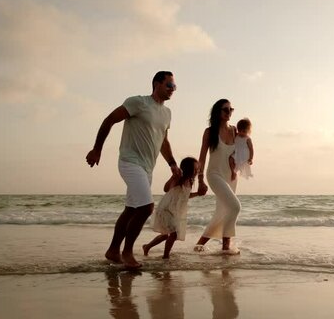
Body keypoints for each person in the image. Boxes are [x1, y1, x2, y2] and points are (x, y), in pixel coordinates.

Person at [85, 71, 181, 269]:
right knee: (146, 207)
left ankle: (113, 250)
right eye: (169, 85)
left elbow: (163, 140)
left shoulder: (167, 113)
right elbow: (109, 119)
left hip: (147, 167)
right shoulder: (138, 102)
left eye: (174, 86)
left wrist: (172, 163)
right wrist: (97, 149)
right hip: (130, 161)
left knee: (131, 210)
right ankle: (127, 252)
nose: (173, 89)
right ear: (157, 84)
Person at [194, 99, 241, 253]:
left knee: (223, 212)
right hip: (214, 175)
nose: (229, 113)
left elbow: (242, 152)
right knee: (235, 206)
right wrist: (199, 179)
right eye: (225, 110)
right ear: (217, 112)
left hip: (231, 177)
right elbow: (202, 157)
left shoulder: (235, 131)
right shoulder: (210, 132)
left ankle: (199, 245)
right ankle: (226, 247)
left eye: (231, 109)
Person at [142, 157, 200, 259]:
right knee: (173, 234)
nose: (196, 172)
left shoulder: (190, 182)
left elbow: (186, 196)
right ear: (187, 169)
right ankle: (165, 257)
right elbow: (166, 189)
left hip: (174, 212)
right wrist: (172, 177)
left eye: (197, 169)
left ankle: (147, 247)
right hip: (166, 209)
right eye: (194, 169)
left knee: (166, 235)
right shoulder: (178, 178)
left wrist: (198, 194)